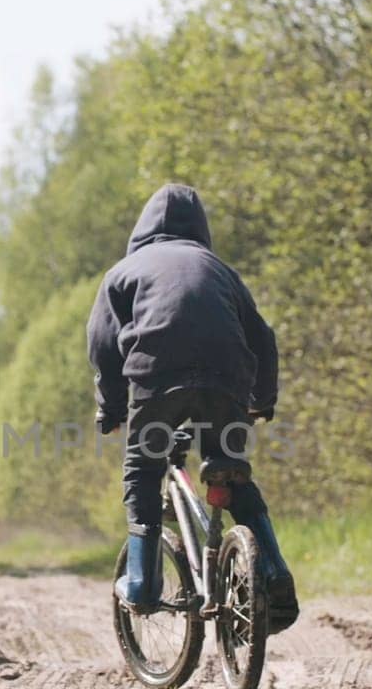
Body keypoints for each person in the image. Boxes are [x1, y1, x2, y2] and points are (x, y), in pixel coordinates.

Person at [86, 184, 298, 634]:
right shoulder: (219, 269)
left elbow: (103, 344)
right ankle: (275, 569)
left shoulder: (125, 271)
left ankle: (142, 581)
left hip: (157, 374)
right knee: (229, 468)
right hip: (228, 375)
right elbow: (263, 337)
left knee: (143, 466)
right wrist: (263, 399)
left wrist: (110, 408)